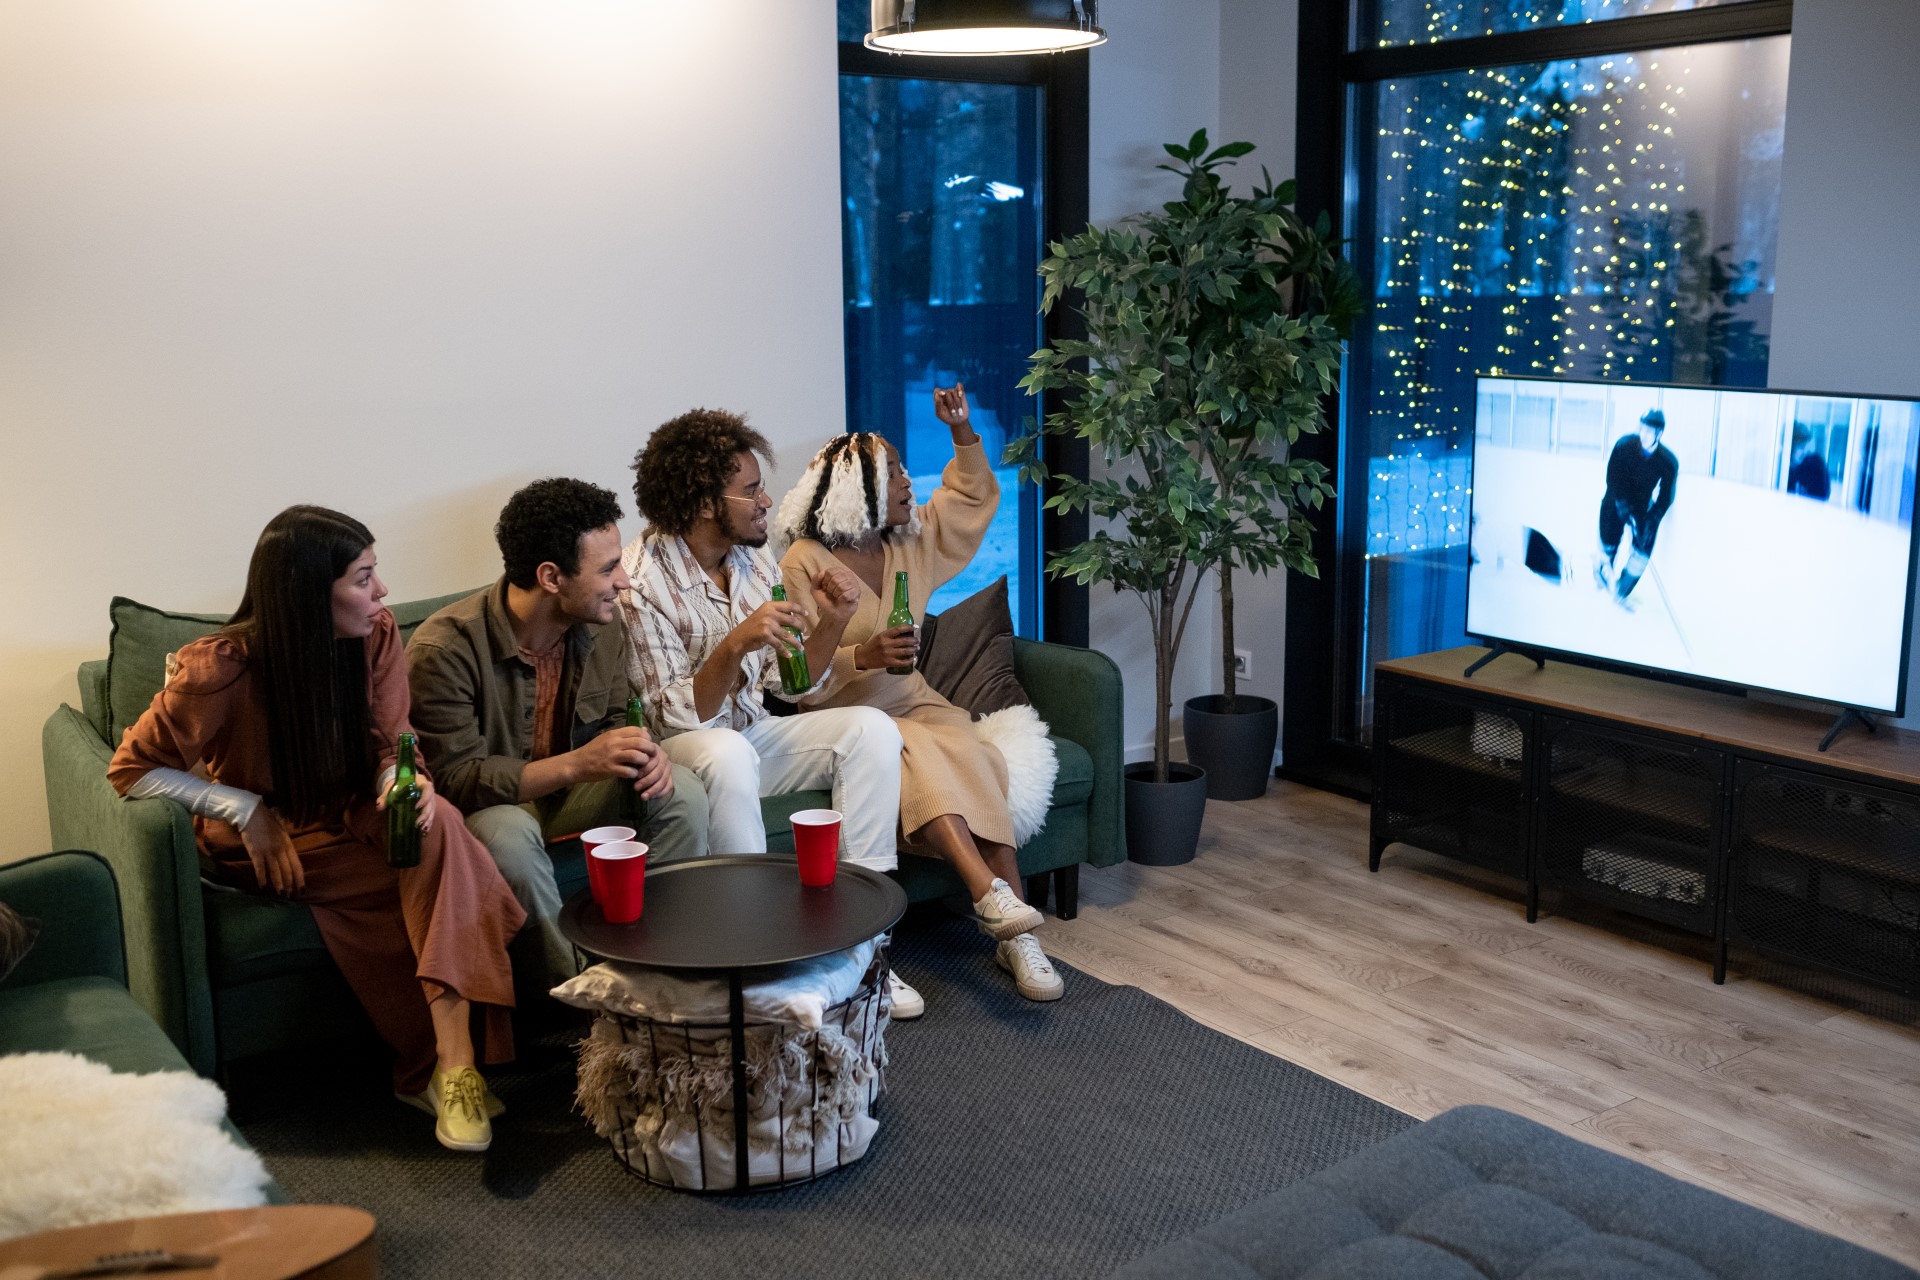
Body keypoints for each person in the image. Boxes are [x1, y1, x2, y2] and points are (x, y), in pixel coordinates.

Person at [107, 506, 525, 1154]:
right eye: (363, 578)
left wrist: (400, 784)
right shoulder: (220, 667)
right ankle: (431, 1073)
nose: (382, 593)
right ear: (308, 592)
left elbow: (394, 742)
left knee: (436, 822)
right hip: (266, 837)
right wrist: (243, 809)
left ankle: (455, 1066)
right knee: (446, 869)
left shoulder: (378, 636)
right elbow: (131, 772)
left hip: (354, 808)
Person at [618, 408, 924, 1019]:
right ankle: (760, 958)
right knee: (727, 750)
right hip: (679, 750)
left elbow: (799, 685)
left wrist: (833, 621)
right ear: (707, 502)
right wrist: (734, 643)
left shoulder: (753, 562)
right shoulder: (641, 579)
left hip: (749, 732)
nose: (767, 500)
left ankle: (863, 949)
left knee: (869, 728)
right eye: (751, 488)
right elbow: (677, 718)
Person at [775, 382, 1064, 1002]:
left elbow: (966, 500)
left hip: (915, 698)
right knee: (926, 754)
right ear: (863, 492)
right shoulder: (805, 559)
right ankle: (988, 896)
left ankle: (1016, 934)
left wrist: (961, 428)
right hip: (848, 711)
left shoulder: (907, 542)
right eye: (899, 473)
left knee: (978, 751)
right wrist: (862, 654)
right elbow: (796, 671)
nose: (911, 483)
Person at [406, 479, 709, 995]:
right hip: (496, 805)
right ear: (550, 577)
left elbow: (615, 719)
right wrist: (579, 764)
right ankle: (579, 999)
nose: (625, 582)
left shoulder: (603, 623)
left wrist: (642, 751)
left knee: (680, 790)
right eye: (608, 568)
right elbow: (456, 779)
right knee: (507, 838)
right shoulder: (444, 648)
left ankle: (665, 972)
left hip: (572, 794)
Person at [1594, 408, 1679, 605]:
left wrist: (1651, 520)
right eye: (1642, 428)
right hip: (1616, 500)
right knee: (1608, 538)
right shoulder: (1624, 446)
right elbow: (1612, 479)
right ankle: (1602, 572)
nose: (1644, 434)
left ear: (1659, 433)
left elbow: (1665, 497)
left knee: (1643, 547)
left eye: (1649, 430)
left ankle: (1622, 590)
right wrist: (1624, 509)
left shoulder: (1668, 462)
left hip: (1642, 506)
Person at [1787, 423, 1831, 500]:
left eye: (1807, 447)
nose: (1805, 452)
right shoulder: (1781, 473)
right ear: (1790, 447)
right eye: (1801, 447)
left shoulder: (1814, 467)